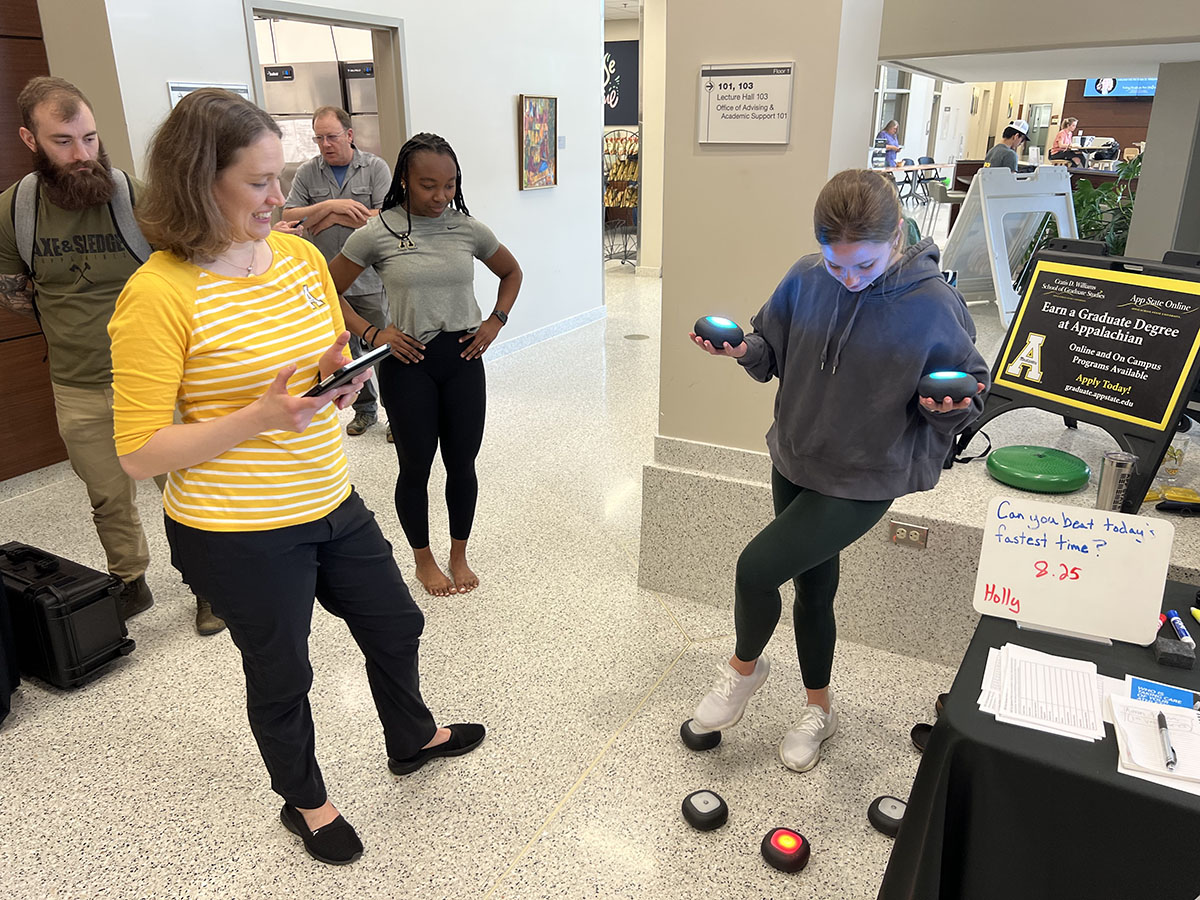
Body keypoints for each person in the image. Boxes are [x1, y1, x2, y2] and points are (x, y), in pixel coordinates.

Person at [108, 89, 484, 865]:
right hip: (235, 527)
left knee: (396, 621)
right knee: (284, 673)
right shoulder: (158, 295)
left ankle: (411, 736)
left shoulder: (301, 259)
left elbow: (325, 351)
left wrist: (341, 376)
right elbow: (138, 451)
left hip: (328, 495)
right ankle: (306, 802)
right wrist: (261, 417)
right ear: (195, 183)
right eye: (258, 182)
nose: (283, 198)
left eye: (281, 177)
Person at [686, 169, 989, 773]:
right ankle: (819, 711)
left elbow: (971, 391)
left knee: (755, 569)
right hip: (796, 455)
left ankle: (744, 670)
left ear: (897, 235)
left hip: (864, 476)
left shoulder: (933, 303)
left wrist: (947, 407)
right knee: (813, 589)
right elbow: (770, 349)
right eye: (837, 264)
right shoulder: (804, 277)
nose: (849, 279)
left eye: (865, 265)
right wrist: (742, 349)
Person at [0, 76, 224, 635]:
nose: (82, 155)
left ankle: (208, 585)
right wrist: (71, 330)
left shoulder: (135, 199)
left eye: (90, 138)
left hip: (151, 379)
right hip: (75, 385)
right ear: (30, 140)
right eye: (64, 142)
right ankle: (130, 580)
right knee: (106, 497)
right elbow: (17, 293)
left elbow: (189, 275)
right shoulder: (13, 212)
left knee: (183, 487)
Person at [328, 133, 523, 598]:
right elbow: (325, 290)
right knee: (414, 467)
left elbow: (512, 272)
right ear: (405, 182)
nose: (440, 196)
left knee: (463, 464)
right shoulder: (378, 232)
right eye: (428, 185)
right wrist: (372, 333)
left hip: (462, 360)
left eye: (450, 185)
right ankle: (423, 559)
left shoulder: (467, 228)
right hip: (408, 363)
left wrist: (495, 321)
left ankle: (458, 553)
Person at [281, 106, 391, 439]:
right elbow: (289, 214)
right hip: (327, 283)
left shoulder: (375, 168)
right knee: (347, 352)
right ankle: (365, 411)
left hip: (370, 279)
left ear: (349, 135)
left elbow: (389, 216)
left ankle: (397, 417)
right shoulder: (307, 172)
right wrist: (329, 207)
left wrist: (337, 217)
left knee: (383, 350)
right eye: (319, 138)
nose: (325, 144)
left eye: (331, 136)